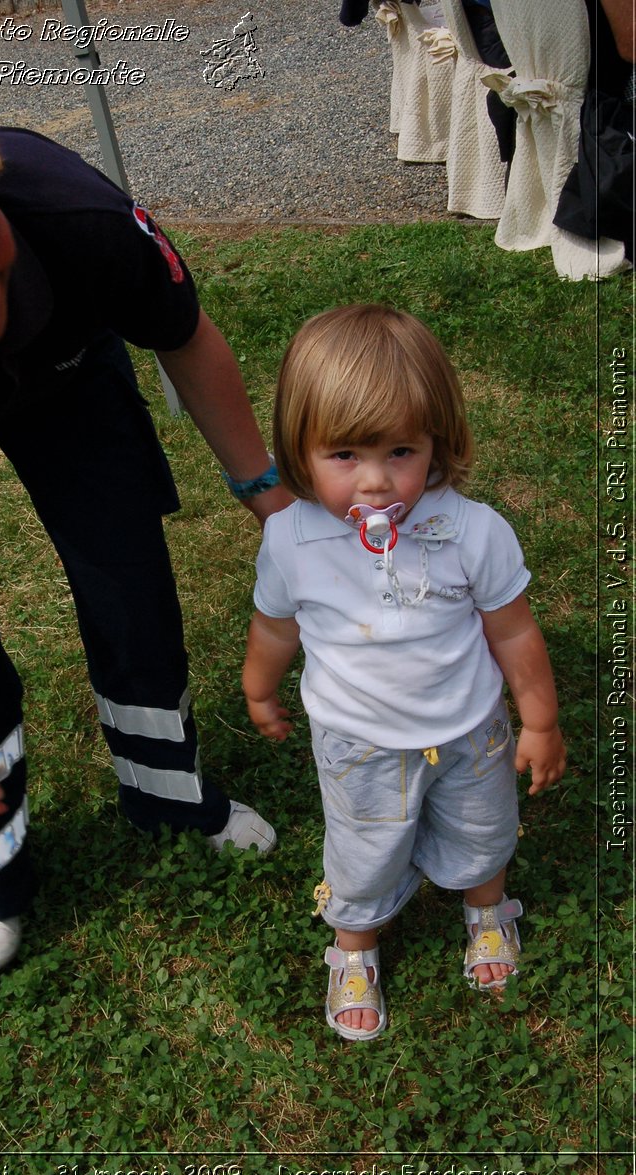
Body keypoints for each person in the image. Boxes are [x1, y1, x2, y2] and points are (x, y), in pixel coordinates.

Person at [0, 42, 289, 974]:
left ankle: (167, 792)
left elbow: (186, 339)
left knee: (125, 569)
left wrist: (269, 501)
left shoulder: (70, 209)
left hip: (65, 371)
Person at [242, 304, 566, 1041]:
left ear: (437, 443)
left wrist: (539, 720)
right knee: (362, 849)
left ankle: (487, 908)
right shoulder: (291, 539)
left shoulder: (472, 531)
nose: (378, 483)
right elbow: (274, 623)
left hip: (470, 731)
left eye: (401, 452)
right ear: (299, 448)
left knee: (485, 829)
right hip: (358, 741)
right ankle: (354, 944)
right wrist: (259, 687)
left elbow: (514, 632)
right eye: (345, 455)